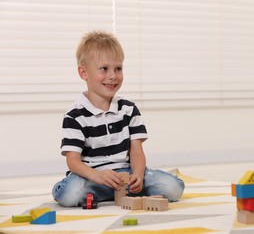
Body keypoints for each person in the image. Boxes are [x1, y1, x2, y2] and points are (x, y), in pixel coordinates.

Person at [52, 31, 185, 207]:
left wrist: (137, 174)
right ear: (84, 73)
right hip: (93, 177)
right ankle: (94, 192)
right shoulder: (75, 116)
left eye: (118, 68)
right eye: (104, 69)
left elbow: (136, 150)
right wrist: (96, 175)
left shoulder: (128, 109)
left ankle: (120, 192)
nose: (113, 75)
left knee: (173, 188)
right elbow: (73, 160)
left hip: (126, 175)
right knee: (68, 194)